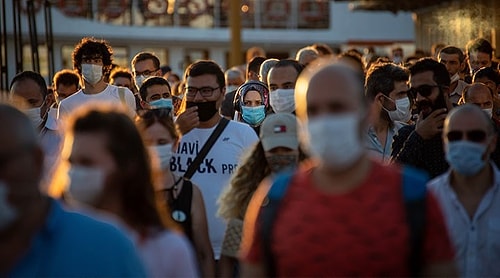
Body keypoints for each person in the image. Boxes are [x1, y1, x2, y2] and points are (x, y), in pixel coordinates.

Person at [240, 60, 457, 276]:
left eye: (337, 108)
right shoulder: (275, 199)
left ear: (366, 113)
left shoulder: (413, 196)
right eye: (313, 110)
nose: (325, 119)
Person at [0, 103, 147, 277]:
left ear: (37, 161)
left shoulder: (107, 248)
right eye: (71, 162)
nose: (76, 171)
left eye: (2, 163)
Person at [51, 104, 198, 277]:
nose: (74, 173)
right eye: (70, 162)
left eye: (87, 163)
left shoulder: (168, 250)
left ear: (127, 166)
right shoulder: (52, 243)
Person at [170, 60, 259, 261]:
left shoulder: (242, 134)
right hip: (182, 250)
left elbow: (257, 190)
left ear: (222, 92)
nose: (199, 98)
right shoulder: (167, 131)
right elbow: (147, 170)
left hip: (231, 251)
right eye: (191, 91)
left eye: (207, 91)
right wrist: (175, 133)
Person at [218, 113, 302, 277]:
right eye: (274, 150)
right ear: (262, 152)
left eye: (287, 149)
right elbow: (228, 258)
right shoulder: (250, 197)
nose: (281, 156)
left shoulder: (317, 189)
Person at [136, 107, 215, 277]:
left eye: (162, 142)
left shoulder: (190, 192)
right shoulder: (126, 191)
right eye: (147, 143)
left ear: (175, 144)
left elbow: (204, 253)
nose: (155, 149)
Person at [427, 104, 500, 277]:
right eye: (455, 136)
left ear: (492, 142)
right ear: (444, 143)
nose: (464, 142)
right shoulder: (428, 200)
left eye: (475, 136)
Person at [391, 58, 453, 178]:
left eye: (425, 91)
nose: (419, 98)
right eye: (414, 93)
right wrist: (418, 137)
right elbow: (392, 179)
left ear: (445, 91)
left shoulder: (471, 128)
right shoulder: (407, 135)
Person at [57, 37, 136, 119]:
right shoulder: (66, 105)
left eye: (97, 61)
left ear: (104, 65)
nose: (92, 65)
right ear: (79, 65)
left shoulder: (123, 95)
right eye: (87, 61)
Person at [365, 62, 410, 162]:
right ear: (381, 99)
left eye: (406, 93)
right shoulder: (352, 135)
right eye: (400, 94)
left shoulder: (405, 132)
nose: (406, 100)